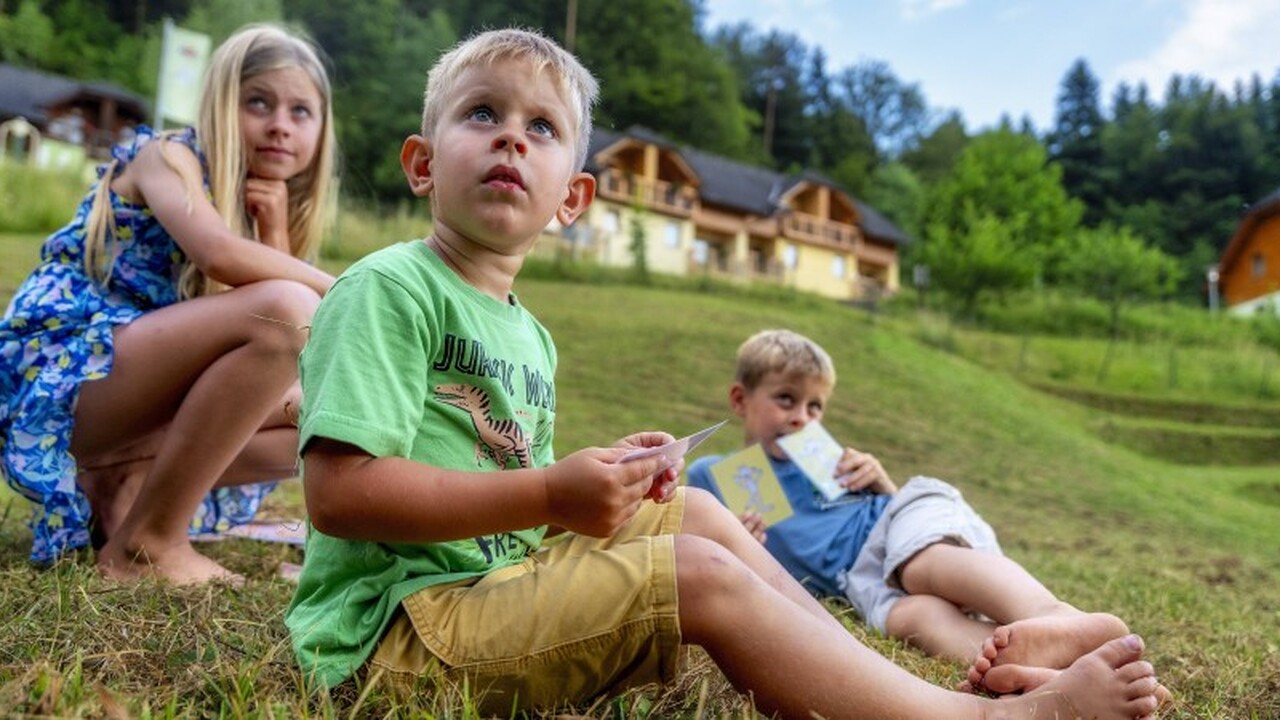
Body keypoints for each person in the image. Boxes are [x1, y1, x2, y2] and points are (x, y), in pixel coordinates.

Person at [284, 28, 1161, 720]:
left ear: (572, 200)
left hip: (489, 589)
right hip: (396, 636)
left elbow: (502, 500)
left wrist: (602, 482)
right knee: (696, 571)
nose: (512, 135)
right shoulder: (387, 290)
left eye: (541, 127)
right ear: (423, 163)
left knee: (697, 513)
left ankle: (867, 678)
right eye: (482, 113)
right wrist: (550, 492)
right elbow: (340, 496)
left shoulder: (528, 335)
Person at [0, 23, 338, 585]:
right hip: (63, 378)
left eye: (300, 111)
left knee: (323, 410)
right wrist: (350, 288)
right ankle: (149, 543)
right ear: (220, 104)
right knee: (285, 309)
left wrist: (275, 228)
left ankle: (124, 492)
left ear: (323, 129)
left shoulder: (258, 200)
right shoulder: (165, 155)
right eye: (258, 102)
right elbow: (218, 256)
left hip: (131, 391)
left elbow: (276, 364)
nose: (280, 124)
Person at [686, 328, 1157, 696]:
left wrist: (881, 482)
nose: (802, 417)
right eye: (786, 399)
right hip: (858, 582)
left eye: (816, 407)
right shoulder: (715, 473)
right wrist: (738, 539)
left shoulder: (830, 459)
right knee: (911, 617)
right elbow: (707, 552)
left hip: (899, 522)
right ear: (740, 399)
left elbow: (894, 512)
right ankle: (1038, 664)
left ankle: (1055, 616)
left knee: (920, 564)